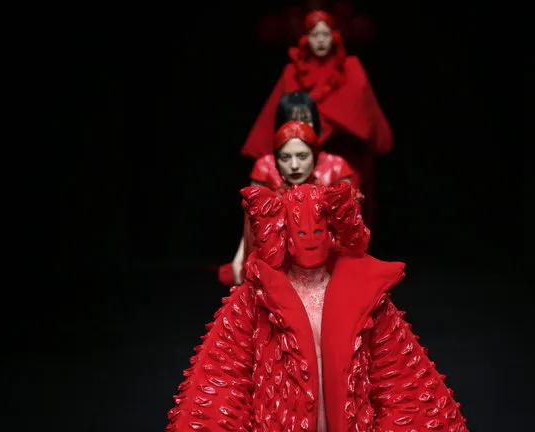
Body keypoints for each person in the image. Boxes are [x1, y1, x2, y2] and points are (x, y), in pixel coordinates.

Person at [165, 182, 469, 432]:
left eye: (317, 228)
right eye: (300, 230)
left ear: (331, 230)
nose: (309, 237)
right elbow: (223, 379)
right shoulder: (255, 295)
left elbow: (402, 382)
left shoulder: (364, 292)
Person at [240, 9, 392, 230]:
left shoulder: (351, 67)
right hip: (300, 154)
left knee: (347, 211)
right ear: (306, 39)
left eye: (325, 34)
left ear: (334, 36)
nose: (320, 40)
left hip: (343, 152)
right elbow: (279, 112)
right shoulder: (293, 71)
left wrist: (334, 124)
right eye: (314, 35)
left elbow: (361, 112)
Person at [218, 118, 357, 287]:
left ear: (314, 157)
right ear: (276, 161)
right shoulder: (266, 203)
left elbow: (351, 244)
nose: (294, 165)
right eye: (285, 157)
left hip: (328, 278)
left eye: (302, 156)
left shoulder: (332, 198)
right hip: (277, 282)